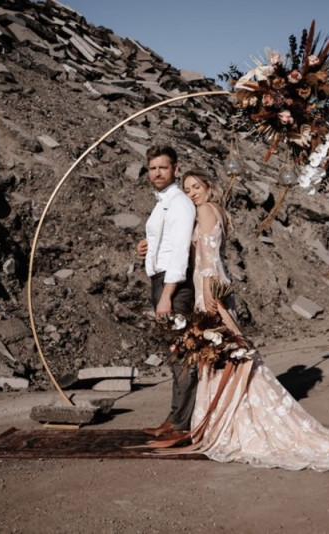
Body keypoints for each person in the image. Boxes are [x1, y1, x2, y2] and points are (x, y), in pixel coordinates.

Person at [147, 169, 329, 472]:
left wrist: (210, 295)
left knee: (224, 356)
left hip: (210, 288)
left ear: (208, 187)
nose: (192, 193)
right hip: (211, 285)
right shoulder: (214, 211)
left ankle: (227, 421)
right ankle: (225, 417)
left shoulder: (207, 210)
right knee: (223, 357)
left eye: (196, 186)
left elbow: (209, 257)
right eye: (187, 189)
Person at [136, 145, 197, 441]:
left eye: (162, 167)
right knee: (173, 355)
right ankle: (175, 418)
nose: (157, 173)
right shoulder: (162, 203)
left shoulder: (181, 203)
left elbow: (181, 252)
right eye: (152, 168)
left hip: (174, 286)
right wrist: (146, 249)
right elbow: (165, 242)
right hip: (160, 280)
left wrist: (167, 295)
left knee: (180, 354)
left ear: (175, 168)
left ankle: (183, 424)